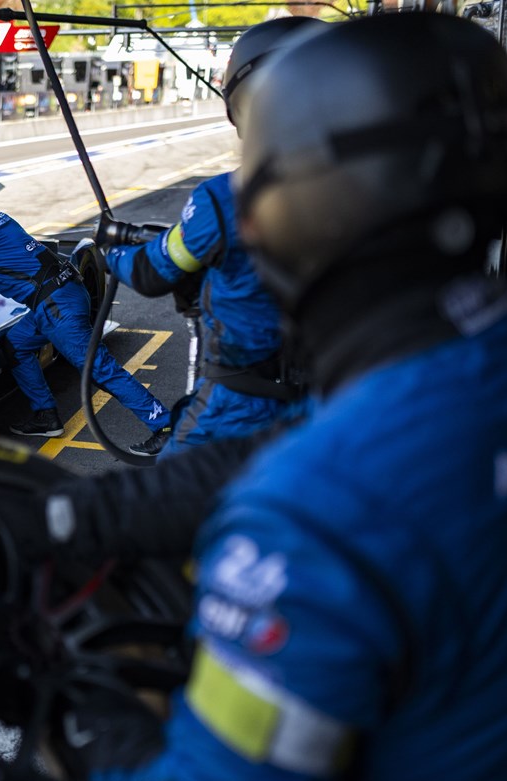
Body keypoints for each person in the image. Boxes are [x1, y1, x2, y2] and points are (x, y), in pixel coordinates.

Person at [31, 14, 507, 781]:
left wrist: (90, 726)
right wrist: (91, 514)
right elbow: (338, 449)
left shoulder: (306, 525)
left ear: (288, 209)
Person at [101, 16, 327, 457]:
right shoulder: (382, 188)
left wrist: (110, 254)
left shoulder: (226, 198)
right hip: (340, 398)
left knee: (165, 491)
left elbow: (151, 272)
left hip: (243, 402)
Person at [0, 179, 170, 440]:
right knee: (17, 343)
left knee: (100, 370)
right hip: (61, 295)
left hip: (56, 308)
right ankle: (46, 415)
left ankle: (164, 425)